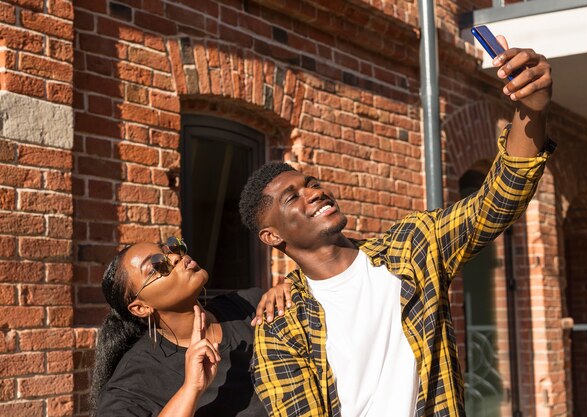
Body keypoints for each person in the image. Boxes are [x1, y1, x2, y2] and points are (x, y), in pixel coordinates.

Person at [240, 37, 556, 417]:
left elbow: (496, 202)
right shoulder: (280, 326)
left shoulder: (411, 248)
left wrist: (530, 111)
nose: (315, 192)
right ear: (272, 236)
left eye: (311, 183)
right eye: (293, 198)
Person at [90, 237, 291, 417]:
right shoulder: (133, 383)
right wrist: (191, 389)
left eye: (170, 249)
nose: (175, 258)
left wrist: (296, 290)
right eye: (155, 266)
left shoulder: (249, 305)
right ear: (141, 308)